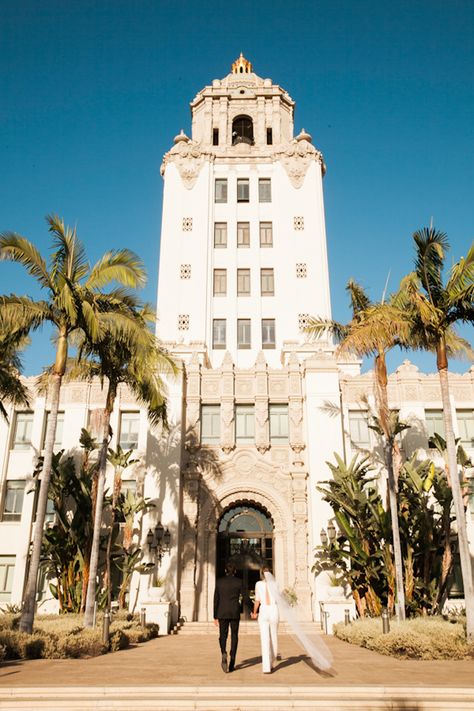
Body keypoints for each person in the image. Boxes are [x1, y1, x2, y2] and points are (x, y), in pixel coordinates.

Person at [213, 563, 243, 673]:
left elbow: (216, 600)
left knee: (222, 636)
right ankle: (232, 661)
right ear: (234, 571)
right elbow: (245, 597)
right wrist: (254, 611)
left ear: (225, 571)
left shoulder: (219, 582)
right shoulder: (239, 582)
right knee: (234, 636)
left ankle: (223, 652)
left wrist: (215, 616)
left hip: (222, 612)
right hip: (234, 612)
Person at [251, 566, 279, 674]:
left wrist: (254, 612)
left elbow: (257, 600)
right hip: (270, 610)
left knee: (267, 638)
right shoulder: (275, 584)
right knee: (271, 637)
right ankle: (269, 664)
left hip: (266, 610)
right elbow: (258, 600)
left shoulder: (259, 584)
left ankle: (268, 664)